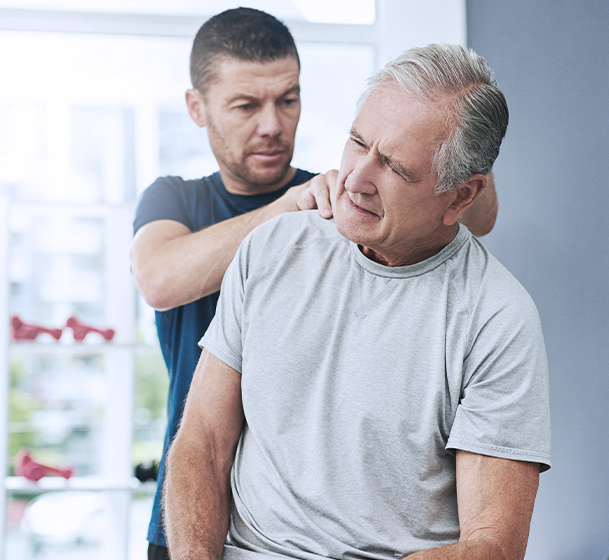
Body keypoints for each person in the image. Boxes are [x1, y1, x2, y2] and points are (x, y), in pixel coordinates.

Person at [131, 9, 499, 560]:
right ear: (197, 108)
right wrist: (285, 211)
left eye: (288, 99)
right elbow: (159, 279)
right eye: (246, 105)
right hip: (192, 510)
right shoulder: (178, 199)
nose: (273, 125)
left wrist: (452, 133)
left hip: (311, 521)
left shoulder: (346, 199)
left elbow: (476, 215)